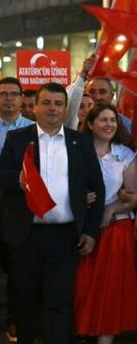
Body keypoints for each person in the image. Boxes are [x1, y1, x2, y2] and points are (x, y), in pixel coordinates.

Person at [0, 82, 105, 344]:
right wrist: (20, 181)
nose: (52, 108)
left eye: (58, 104)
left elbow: (97, 188)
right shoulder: (18, 139)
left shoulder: (80, 142)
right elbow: (1, 176)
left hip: (66, 237)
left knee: (60, 300)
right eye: (46, 103)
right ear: (34, 107)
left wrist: (90, 231)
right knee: (25, 298)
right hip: (26, 236)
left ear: (66, 108)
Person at [74, 103, 137, 344]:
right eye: (103, 119)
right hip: (81, 229)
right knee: (82, 288)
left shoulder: (126, 155)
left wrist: (113, 208)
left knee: (109, 291)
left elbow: (132, 196)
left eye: (113, 120)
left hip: (115, 231)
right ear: (90, 124)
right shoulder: (76, 151)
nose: (109, 124)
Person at [0, 77, 34, 342]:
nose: (9, 98)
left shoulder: (34, 129)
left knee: (17, 267)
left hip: (19, 205)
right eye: (4, 94)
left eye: (15, 94)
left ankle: (14, 318)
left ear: (22, 98)